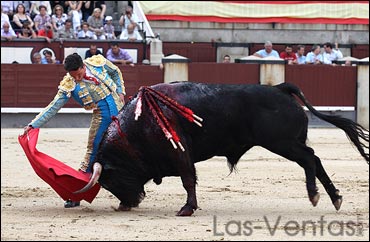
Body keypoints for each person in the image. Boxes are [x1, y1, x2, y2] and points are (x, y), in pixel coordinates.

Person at [23, 53, 126, 208]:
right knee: (93, 150)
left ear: (84, 66)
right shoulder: (69, 84)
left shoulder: (96, 62)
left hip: (121, 111)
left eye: (79, 74)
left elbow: (115, 71)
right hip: (102, 117)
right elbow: (53, 106)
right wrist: (33, 125)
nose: (77, 79)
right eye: (74, 76)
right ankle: (76, 193)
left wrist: (120, 90)